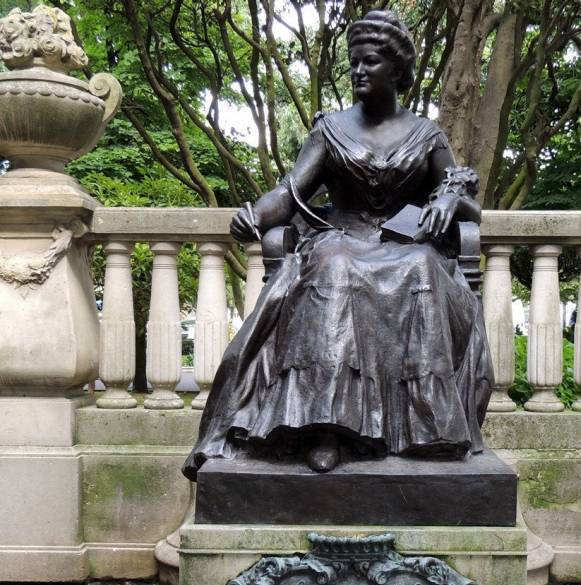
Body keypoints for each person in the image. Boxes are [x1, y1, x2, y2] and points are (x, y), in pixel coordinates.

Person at [182, 10, 493, 479]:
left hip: (406, 245)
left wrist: (450, 200)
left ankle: (429, 430)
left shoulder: (427, 135)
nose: (358, 71)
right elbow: (290, 194)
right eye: (353, 63)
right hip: (341, 237)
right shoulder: (331, 130)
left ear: (396, 69)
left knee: (423, 269)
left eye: (369, 62)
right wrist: (253, 214)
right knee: (334, 266)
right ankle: (324, 428)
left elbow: (469, 206)